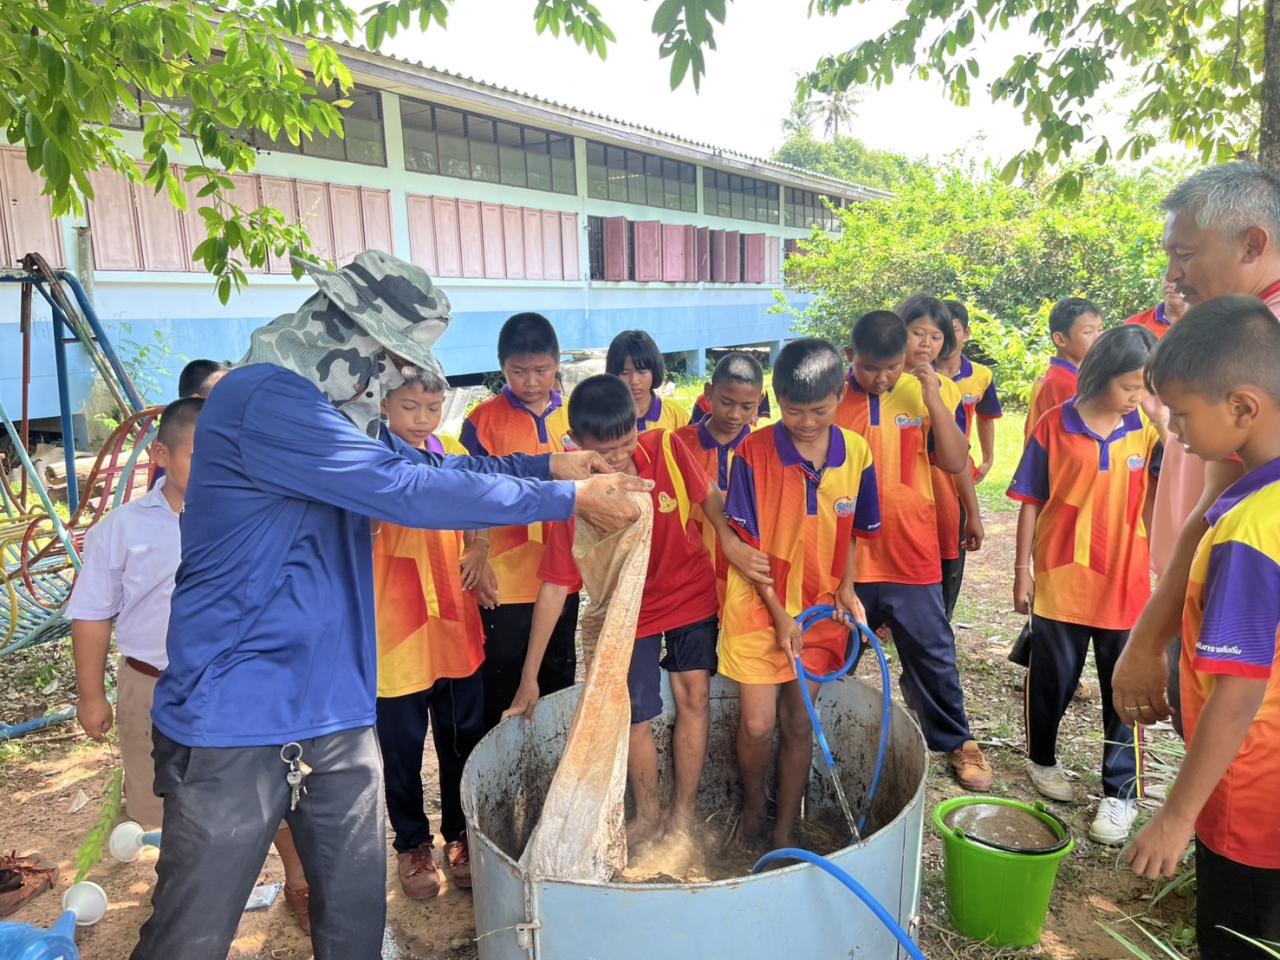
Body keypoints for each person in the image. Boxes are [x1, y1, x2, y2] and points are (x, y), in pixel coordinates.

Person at [130, 252, 648, 960]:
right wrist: (567, 498)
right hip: (239, 711)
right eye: (391, 361)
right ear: (349, 337)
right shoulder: (268, 400)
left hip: (334, 708)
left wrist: (546, 465)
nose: (396, 380)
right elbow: (403, 492)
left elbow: (426, 467)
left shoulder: (332, 412)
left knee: (355, 923)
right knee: (190, 935)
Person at [507, 374, 764, 842]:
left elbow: (709, 502)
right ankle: (647, 811)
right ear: (576, 445)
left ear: (639, 424)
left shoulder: (666, 447)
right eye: (605, 453)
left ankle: (683, 815)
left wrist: (733, 544)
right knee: (635, 714)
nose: (620, 457)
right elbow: (554, 587)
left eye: (627, 442)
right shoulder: (577, 497)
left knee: (696, 699)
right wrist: (529, 679)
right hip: (628, 613)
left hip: (690, 594)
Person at [1125, 295, 1280, 957]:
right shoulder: (1254, 499)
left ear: (1243, 407)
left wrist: (1175, 816)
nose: (1175, 432)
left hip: (1245, 803)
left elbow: (1238, 691)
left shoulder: (1249, 529)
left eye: (1183, 414)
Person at [1113, 162, 1280, 732]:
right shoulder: (1246, 323)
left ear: (1253, 243)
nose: (1174, 275)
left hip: (1229, 605)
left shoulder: (1255, 341)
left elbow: (1220, 502)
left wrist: (1145, 640)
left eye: (1185, 255)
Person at [722, 338, 880, 847]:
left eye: (819, 409)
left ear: (840, 394)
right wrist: (778, 614)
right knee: (757, 724)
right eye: (793, 411)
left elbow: (855, 531)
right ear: (776, 400)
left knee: (798, 722)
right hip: (756, 607)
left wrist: (848, 589)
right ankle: (752, 810)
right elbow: (749, 548)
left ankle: (785, 832)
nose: (807, 422)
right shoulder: (752, 452)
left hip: (819, 615)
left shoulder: (856, 453)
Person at [1008, 326, 1161, 844]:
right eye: (1129, 387)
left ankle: (1120, 793)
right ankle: (1042, 760)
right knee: (1052, 678)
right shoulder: (1054, 425)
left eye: (1144, 387)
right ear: (1097, 376)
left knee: (1127, 689)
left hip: (1126, 581)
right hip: (1060, 579)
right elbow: (1031, 499)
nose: (1137, 397)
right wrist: (1021, 571)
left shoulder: (1148, 429)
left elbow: (1165, 498)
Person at [835, 310, 993, 791]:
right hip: (843, 556)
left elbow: (952, 459)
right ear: (850, 359)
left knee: (932, 652)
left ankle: (957, 740)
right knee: (831, 648)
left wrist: (931, 397)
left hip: (911, 548)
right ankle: (818, 728)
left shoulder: (934, 390)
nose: (882, 378)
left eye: (892, 366)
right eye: (870, 368)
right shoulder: (830, 396)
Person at [373, 370, 492, 900]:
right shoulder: (364, 459)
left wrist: (480, 546)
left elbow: (477, 503)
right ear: (382, 404)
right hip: (393, 630)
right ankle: (412, 844)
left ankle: (461, 833)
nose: (424, 420)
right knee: (400, 746)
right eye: (410, 407)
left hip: (450, 618)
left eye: (433, 407)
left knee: (461, 736)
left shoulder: (445, 450)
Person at [70, 398, 201, 828]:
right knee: (158, 803)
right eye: (199, 453)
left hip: (231, 684)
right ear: (161, 455)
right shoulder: (121, 528)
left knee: (262, 793)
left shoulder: (247, 520)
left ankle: (297, 880)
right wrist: (91, 696)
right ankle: (177, 891)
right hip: (150, 685)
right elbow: (92, 613)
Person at [460, 312, 578, 731]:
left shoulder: (575, 416)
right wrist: (480, 552)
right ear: (501, 367)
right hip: (505, 583)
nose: (530, 381)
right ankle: (499, 781)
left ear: (558, 363)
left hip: (562, 578)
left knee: (558, 681)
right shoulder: (482, 420)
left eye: (541, 370)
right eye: (518, 372)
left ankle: (550, 776)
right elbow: (469, 492)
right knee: (503, 686)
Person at [901, 295, 984, 622]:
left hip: (942, 508)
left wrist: (972, 513)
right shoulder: (875, 384)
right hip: (893, 517)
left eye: (936, 337)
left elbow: (959, 457)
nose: (926, 344)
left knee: (935, 614)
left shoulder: (946, 390)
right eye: (918, 333)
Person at [675, 351, 764, 605]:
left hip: (744, 578)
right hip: (690, 577)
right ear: (708, 392)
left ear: (759, 401)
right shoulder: (680, 443)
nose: (735, 415)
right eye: (726, 402)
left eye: (747, 406)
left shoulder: (763, 449)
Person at [940, 301, 1003, 483]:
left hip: (960, 463)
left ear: (967, 333)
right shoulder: (916, 375)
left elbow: (986, 417)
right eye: (940, 331)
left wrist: (987, 459)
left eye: (954, 330)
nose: (947, 337)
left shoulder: (982, 376)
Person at [1023, 298, 1103, 440]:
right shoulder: (1064, 383)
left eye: (1100, 330)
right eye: (1088, 332)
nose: (1099, 338)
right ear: (1060, 339)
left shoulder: (1054, 375)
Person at [606, 329, 690, 432]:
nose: (634, 381)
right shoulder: (603, 418)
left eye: (642, 371)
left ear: (654, 370)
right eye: (625, 372)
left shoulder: (676, 416)